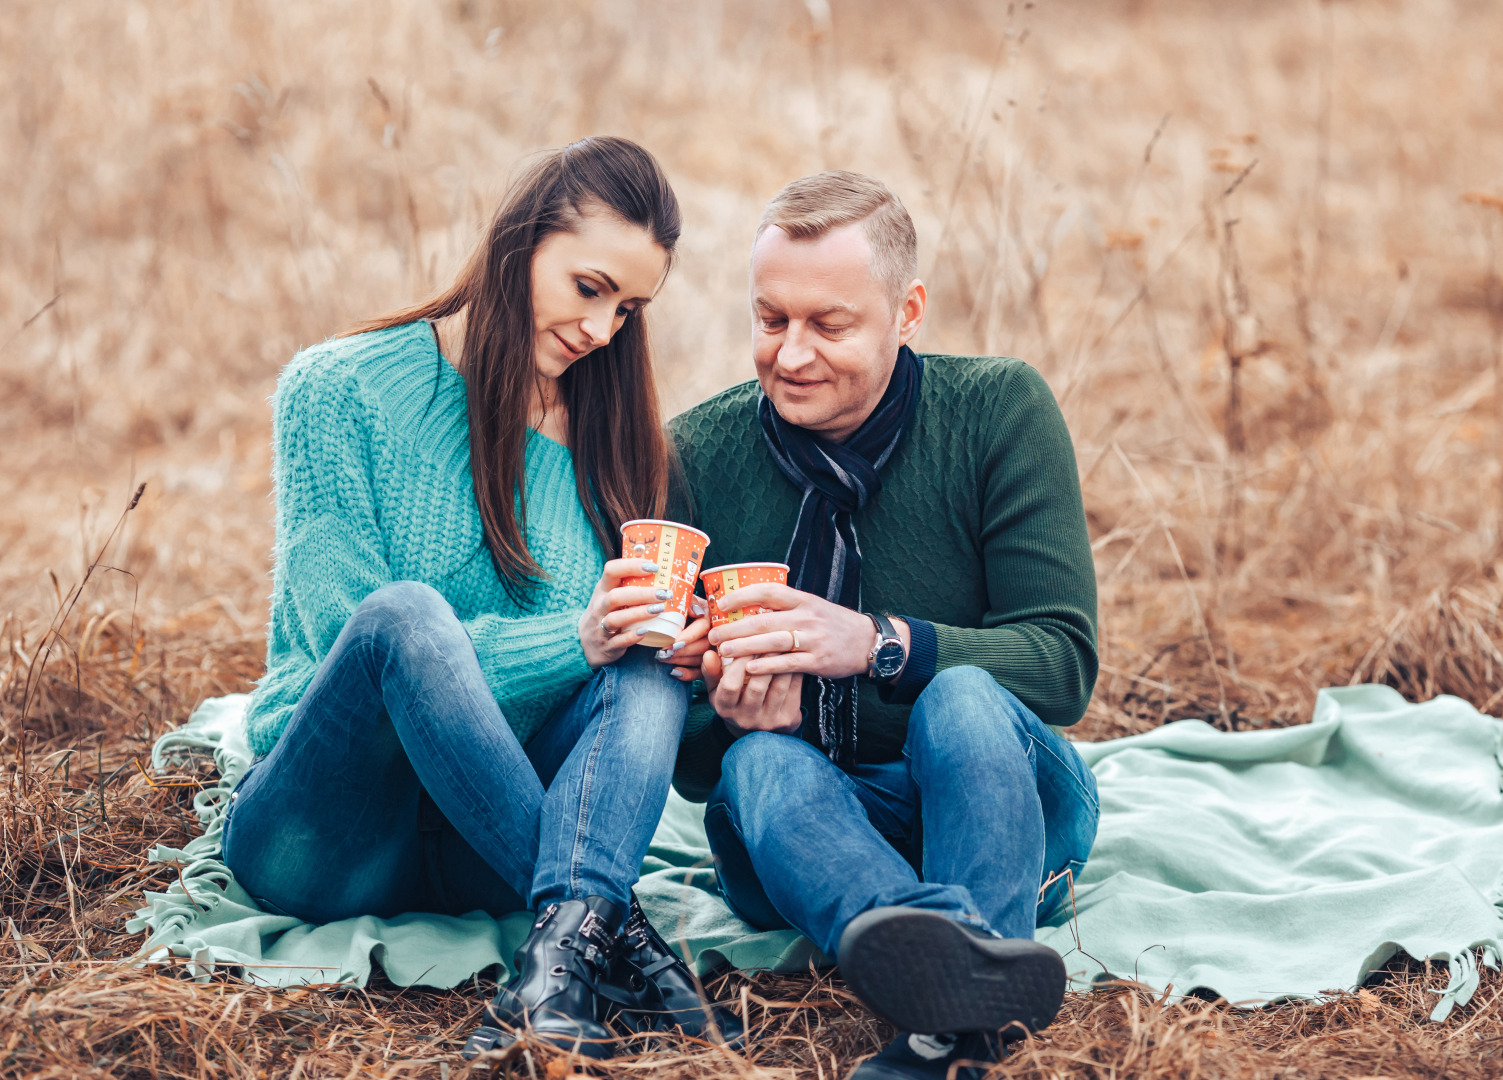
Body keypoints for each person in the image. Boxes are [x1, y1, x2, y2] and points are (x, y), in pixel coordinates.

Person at [220, 137, 742, 1061]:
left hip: (491, 854)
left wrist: (695, 666)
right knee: (407, 615)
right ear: (518, 242)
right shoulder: (337, 390)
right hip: (330, 836)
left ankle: (561, 953)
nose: (602, 331)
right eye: (588, 288)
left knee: (649, 658)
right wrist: (571, 642)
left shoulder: (614, 445)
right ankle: (612, 935)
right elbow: (358, 645)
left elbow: (616, 718)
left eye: (628, 308)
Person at [660, 171, 1101, 1080]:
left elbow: (1062, 666)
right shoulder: (696, 455)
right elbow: (695, 762)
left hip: (1005, 805)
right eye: (770, 318)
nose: (790, 354)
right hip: (809, 838)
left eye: (829, 324)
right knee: (757, 763)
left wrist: (877, 643)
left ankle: (949, 1004)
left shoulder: (998, 412)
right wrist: (727, 711)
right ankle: (955, 992)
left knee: (963, 696)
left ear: (908, 312)